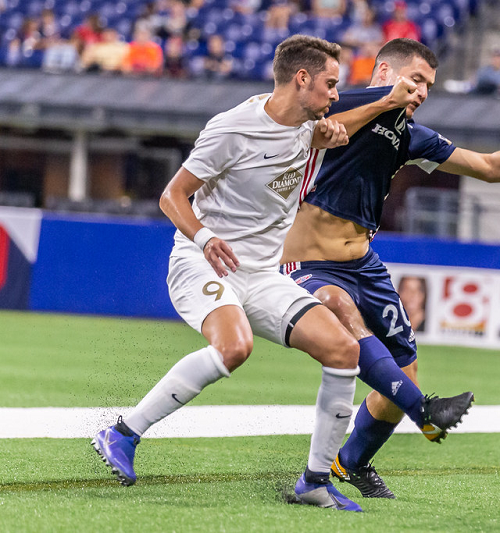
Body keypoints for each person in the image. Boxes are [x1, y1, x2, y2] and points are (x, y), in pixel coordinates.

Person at [91, 34, 419, 512]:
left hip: (262, 273)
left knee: (344, 350)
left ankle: (314, 480)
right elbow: (172, 196)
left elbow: (337, 129)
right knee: (235, 346)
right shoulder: (232, 129)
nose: (335, 95)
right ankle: (121, 433)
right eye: (330, 84)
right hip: (202, 260)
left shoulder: (311, 128)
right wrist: (205, 237)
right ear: (301, 78)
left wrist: (349, 124)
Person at [280, 38, 500, 499]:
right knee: (339, 310)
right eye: (416, 80)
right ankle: (426, 413)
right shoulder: (336, 104)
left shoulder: (410, 136)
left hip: (364, 264)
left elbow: (488, 165)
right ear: (385, 72)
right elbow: (311, 132)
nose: (423, 92)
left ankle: (351, 462)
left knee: (402, 377)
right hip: (310, 261)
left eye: (428, 85)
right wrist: (384, 103)